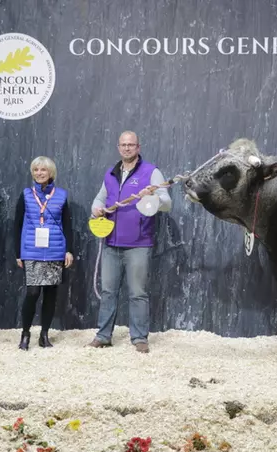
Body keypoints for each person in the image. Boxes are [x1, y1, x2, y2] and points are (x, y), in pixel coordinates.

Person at [87, 131, 171, 353]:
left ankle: (139, 338)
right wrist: (96, 209)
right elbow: (99, 198)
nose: (127, 148)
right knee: (108, 292)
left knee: (137, 293)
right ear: (118, 147)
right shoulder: (111, 173)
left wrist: (151, 198)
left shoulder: (151, 172)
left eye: (131, 145)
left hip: (138, 244)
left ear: (138, 147)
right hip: (111, 244)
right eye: (123, 145)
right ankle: (103, 335)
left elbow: (167, 203)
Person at [14, 156, 74, 350]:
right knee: (32, 292)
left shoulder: (61, 195)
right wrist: (18, 253)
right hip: (31, 251)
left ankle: (44, 334)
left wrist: (69, 250)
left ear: (51, 173)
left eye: (43, 170)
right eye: (36, 170)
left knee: (50, 294)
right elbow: (16, 225)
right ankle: (25, 334)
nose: (39, 173)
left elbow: (67, 225)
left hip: (55, 252)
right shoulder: (25, 194)